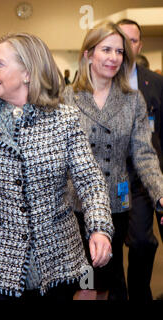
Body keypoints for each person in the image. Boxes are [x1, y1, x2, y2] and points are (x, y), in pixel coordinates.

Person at [0, 32, 114, 301]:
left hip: (57, 261)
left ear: (27, 73)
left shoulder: (64, 119)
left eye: (0, 65)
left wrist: (99, 227)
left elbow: (89, 180)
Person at [63, 21, 163, 300]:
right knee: (85, 281)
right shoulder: (67, 98)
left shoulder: (133, 101)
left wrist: (160, 193)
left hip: (115, 205)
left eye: (119, 51)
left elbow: (144, 153)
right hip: (75, 205)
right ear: (88, 54)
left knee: (107, 276)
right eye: (106, 49)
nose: (113, 57)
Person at [117, 18, 163, 301]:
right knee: (107, 245)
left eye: (132, 40)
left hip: (147, 177)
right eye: (121, 40)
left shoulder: (155, 83)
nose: (127, 46)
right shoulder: (100, 82)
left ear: (140, 45)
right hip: (113, 179)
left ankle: (139, 293)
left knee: (143, 243)